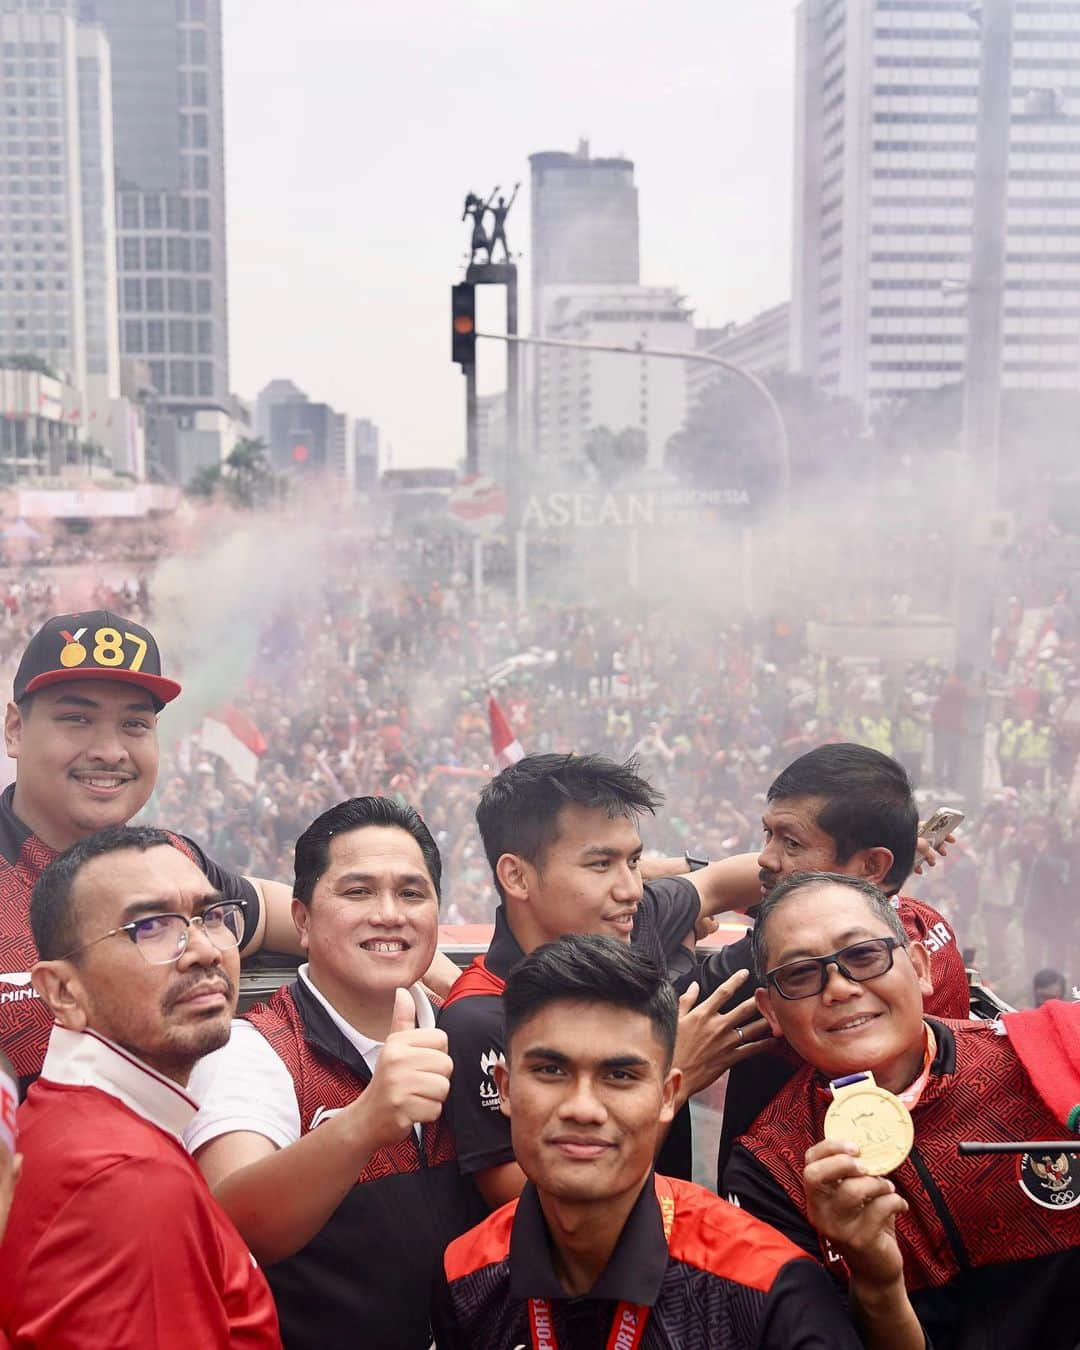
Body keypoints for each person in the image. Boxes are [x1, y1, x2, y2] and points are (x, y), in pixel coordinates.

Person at [0, 610, 457, 1093]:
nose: (110, 750)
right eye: (77, 719)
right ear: (15, 729)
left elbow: (271, 907)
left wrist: (447, 976)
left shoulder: (172, 863)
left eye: (134, 724)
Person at [434, 934, 863, 1350]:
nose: (583, 1108)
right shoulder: (464, 1275)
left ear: (667, 1096)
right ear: (505, 1089)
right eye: (550, 1071)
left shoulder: (768, 1286)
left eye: (620, 1076)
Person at [724, 872, 1080, 1350]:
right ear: (770, 1011)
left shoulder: (1048, 1060)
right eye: (800, 974)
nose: (839, 988)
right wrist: (875, 1279)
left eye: (864, 955)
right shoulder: (772, 1170)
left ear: (919, 966)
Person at [185, 797, 484, 1350]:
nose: (390, 913)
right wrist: (363, 1123)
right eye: (358, 891)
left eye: (412, 893)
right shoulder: (254, 1051)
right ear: (301, 919)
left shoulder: (469, 1036)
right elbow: (230, 1222)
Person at [437, 754, 772, 1209]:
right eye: (600, 865)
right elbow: (525, 1207)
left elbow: (721, 882)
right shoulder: (481, 1016)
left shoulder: (632, 922)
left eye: (633, 861)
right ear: (516, 876)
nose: (630, 888)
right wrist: (673, 1078)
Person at [0, 826, 281, 1347]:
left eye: (214, 917)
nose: (203, 950)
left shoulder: (69, 1118)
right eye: (150, 926)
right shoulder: (130, 1178)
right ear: (62, 990)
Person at [647, 744, 970, 1185]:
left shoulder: (780, 968)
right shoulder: (929, 926)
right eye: (769, 835)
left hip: (787, 1203)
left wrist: (681, 933)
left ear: (917, 970)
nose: (765, 858)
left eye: (791, 842)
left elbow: (658, 1004)